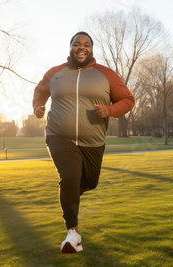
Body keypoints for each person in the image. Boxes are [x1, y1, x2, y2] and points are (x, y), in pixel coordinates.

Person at [33, 31, 134, 254]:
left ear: (91, 49)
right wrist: (38, 108)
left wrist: (109, 110)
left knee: (90, 181)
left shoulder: (106, 74)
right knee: (69, 177)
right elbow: (40, 92)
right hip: (59, 135)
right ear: (70, 47)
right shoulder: (56, 73)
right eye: (77, 44)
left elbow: (128, 100)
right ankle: (72, 234)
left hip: (93, 142)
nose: (82, 47)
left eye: (86, 44)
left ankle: (68, 198)